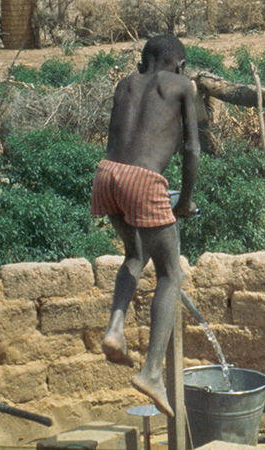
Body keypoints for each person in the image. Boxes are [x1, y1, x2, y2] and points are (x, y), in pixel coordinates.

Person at [91, 33, 200, 417]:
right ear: (180, 65)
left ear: (143, 63)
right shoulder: (183, 84)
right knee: (170, 274)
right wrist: (185, 200)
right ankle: (152, 371)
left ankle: (115, 327)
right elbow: (191, 149)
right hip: (143, 180)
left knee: (135, 256)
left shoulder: (125, 83)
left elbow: (118, 138)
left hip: (107, 176)